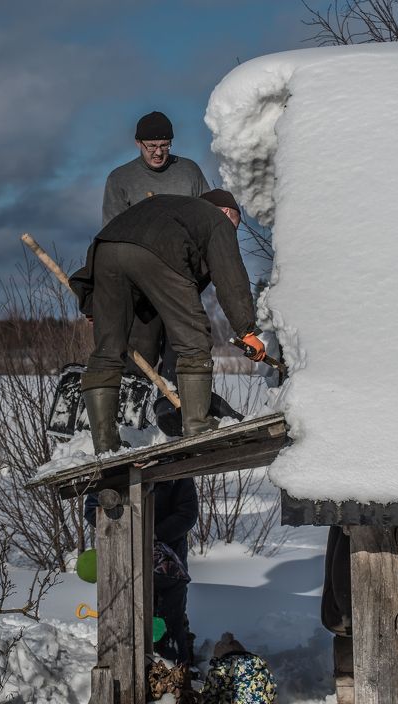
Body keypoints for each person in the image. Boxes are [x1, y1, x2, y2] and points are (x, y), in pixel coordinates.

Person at [70, 189, 265, 452]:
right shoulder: (216, 218)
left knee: (107, 350)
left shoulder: (164, 207)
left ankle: (105, 444)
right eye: (236, 226)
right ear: (228, 212)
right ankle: (198, 424)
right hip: (160, 249)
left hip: (105, 248)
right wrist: (246, 330)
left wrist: (93, 304)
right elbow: (231, 277)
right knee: (194, 338)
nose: (233, 233)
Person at [102, 111, 210, 383]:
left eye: (165, 146)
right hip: (141, 290)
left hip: (183, 284)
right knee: (139, 359)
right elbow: (111, 239)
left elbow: (209, 224)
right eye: (152, 147)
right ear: (138, 143)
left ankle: (178, 416)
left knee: (185, 356)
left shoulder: (189, 172)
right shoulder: (121, 179)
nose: (159, 153)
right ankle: (133, 421)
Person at [84, 477, 199, 663]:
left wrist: (152, 534)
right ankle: (135, 668)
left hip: (168, 567)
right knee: (128, 620)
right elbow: (92, 509)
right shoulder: (110, 471)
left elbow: (187, 513)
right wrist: (122, 528)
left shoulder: (176, 471)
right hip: (124, 562)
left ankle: (177, 672)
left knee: (169, 620)